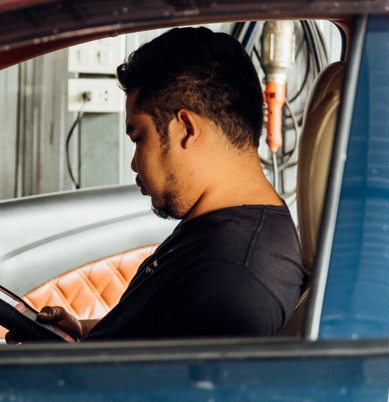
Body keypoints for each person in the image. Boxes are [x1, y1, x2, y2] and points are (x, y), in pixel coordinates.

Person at [23, 27, 305, 341]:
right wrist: (85, 331)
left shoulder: (230, 278)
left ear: (186, 129)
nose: (133, 164)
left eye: (139, 137)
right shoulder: (221, 229)